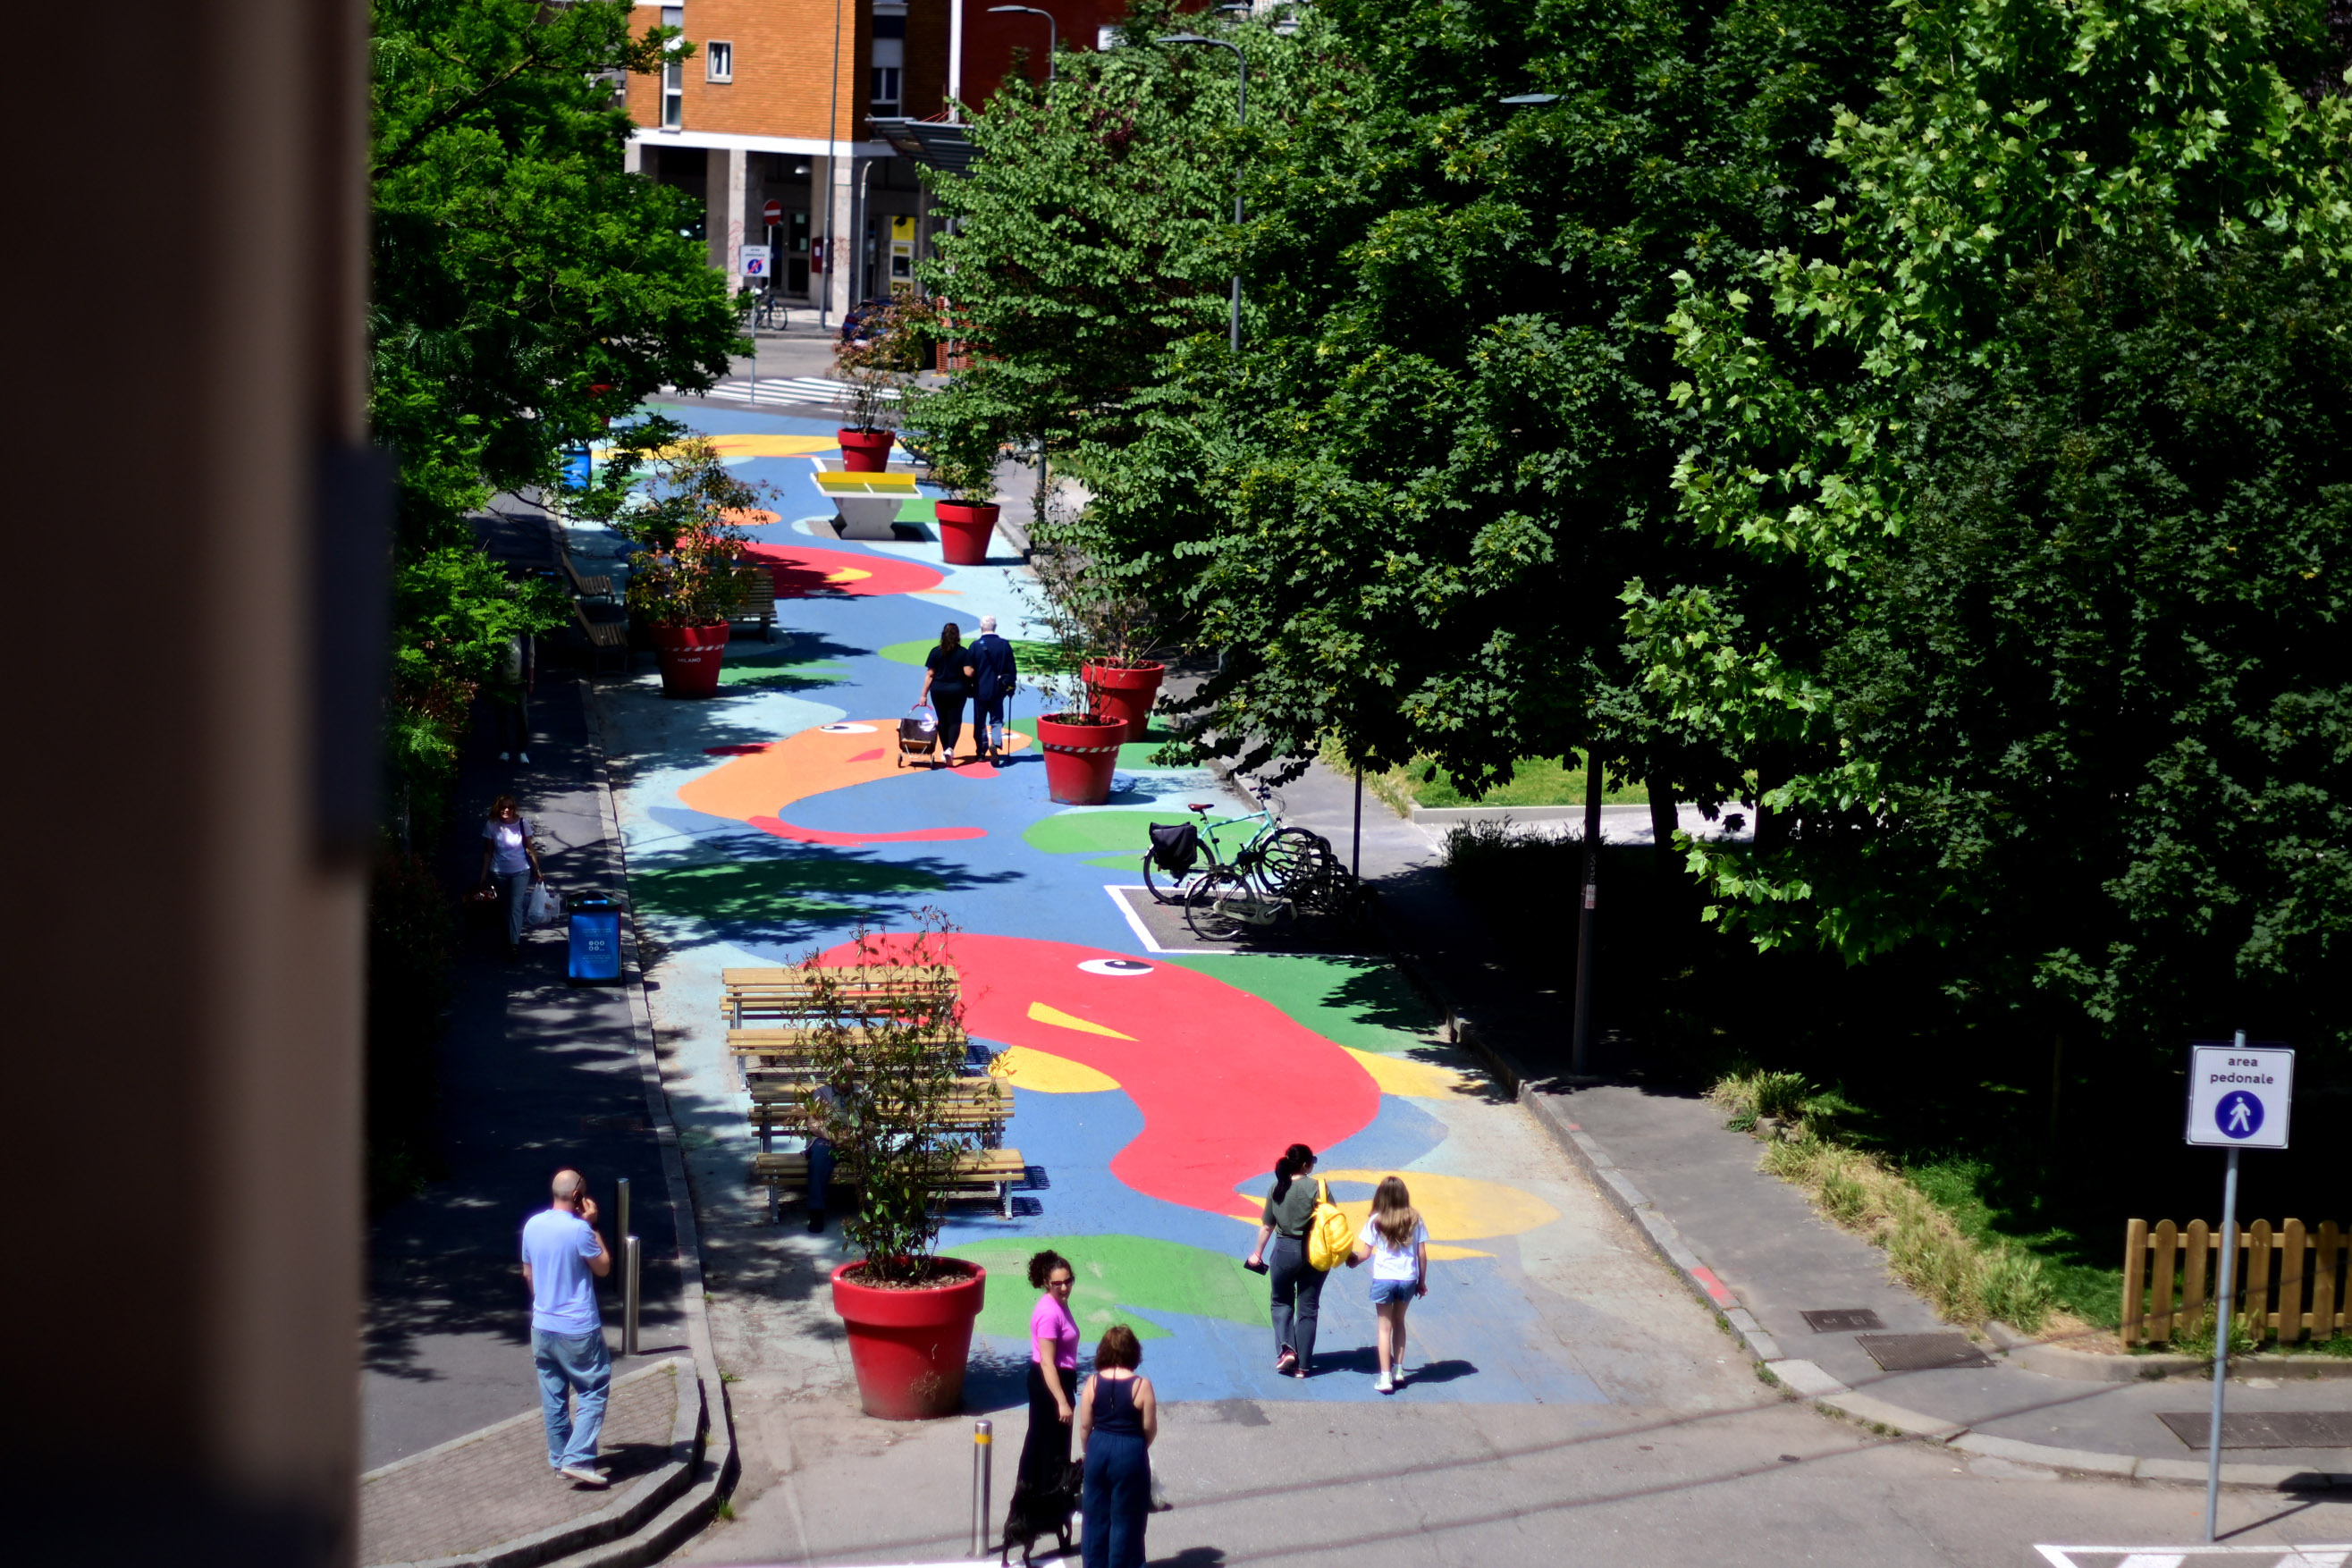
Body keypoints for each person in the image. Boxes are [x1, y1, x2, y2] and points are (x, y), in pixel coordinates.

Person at [521, 1169, 613, 1487]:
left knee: (553, 1398)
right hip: (577, 1328)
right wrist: (593, 1224)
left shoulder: (532, 1226)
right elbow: (603, 1267)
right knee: (593, 1390)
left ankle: (561, 1460)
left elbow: (528, 1274)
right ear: (578, 1197)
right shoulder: (579, 1230)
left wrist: (545, 1303)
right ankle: (577, 1458)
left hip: (542, 1325)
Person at [1075, 1325, 1157, 1568]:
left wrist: (1087, 1451)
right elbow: (1150, 1429)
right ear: (1133, 1352)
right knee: (1127, 1518)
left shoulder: (1092, 1383)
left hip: (1098, 1447)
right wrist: (1137, 1447)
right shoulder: (1142, 1386)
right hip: (1130, 1449)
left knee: (1095, 1514)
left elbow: (1084, 1426)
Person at [1243, 1143, 1327, 1378]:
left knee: (1281, 1301)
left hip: (1285, 1250)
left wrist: (1257, 1253)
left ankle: (1287, 1349)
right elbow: (1332, 1222)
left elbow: (1267, 1226)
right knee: (1308, 1308)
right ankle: (1304, 1366)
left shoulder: (1277, 1188)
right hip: (1314, 1252)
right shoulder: (1318, 1189)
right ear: (1305, 1165)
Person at [1349, 1175, 1429, 1393]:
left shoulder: (1375, 1219)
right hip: (1408, 1278)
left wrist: (1353, 1261)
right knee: (1400, 1322)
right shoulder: (1415, 1219)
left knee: (1384, 1328)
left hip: (1384, 1278)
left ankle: (1385, 1378)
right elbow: (1422, 1253)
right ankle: (1399, 1370)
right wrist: (1422, 1280)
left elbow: (1365, 1253)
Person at [1018, 1250, 1080, 1494]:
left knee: (1054, 1443)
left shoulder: (1059, 1304)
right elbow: (1047, 1362)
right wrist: (1062, 1401)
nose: (1064, 1288)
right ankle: (1046, 1496)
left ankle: (1047, 1495)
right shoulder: (1049, 1313)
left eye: (1068, 1281)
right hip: (1050, 1384)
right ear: (1046, 1283)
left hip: (1059, 1380)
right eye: (1057, 1284)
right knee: (1048, 1444)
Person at [476, 795, 545, 960]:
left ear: (514, 808)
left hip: (521, 871)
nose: (506, 810)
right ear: (497, 809)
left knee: (515, 907)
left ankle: (514, 944)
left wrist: (537, 869)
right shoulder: (492, 825)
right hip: (499, 872)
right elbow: (488, 853)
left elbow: (530, 848)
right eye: (503, 807)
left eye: (510, 807)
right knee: (505, 907)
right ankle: (507, 936)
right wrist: (483, 877)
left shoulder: (522, 824)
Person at [917, 622, 975, 764]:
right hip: (957, 691)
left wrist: (923, 695)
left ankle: (944, 750)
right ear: (958, 636)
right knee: (955, 720)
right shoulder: (963, 652)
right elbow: (968, 673)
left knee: (942, 720)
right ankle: (950, 748)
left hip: (938, 690)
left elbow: (930, 675)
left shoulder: (935, 652)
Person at [968, 614, 1019, 762]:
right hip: (999, 690)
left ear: (981, 627)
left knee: (980, 721)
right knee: (996, 720)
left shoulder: (975, 646)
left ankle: (981, 751)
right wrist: (1011, 687)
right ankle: (995, 744)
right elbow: (1012, 669)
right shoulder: (1005, 645)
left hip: (980, 689)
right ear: (995, 627)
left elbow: (969, 670)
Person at [489, 629, 535, 764]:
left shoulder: (527, 636)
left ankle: (522, 751)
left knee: (522, 717)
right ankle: (505, 750)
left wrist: (531, 682)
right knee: (503, 716)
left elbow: (531, 659)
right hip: (503, 683)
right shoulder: (499, 634)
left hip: (520, 683)